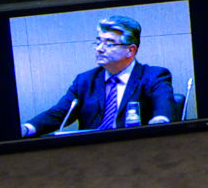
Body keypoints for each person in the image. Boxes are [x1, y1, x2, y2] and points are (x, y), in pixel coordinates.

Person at [21, 15, 181, 137]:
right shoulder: (84, 80)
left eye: (109, 43)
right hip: (90, 152)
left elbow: (164, 105)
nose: (99, 49)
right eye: (98, 42)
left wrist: (160, 121)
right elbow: (59, 114)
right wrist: (27, 128)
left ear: (130, 50)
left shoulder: (153, 76)